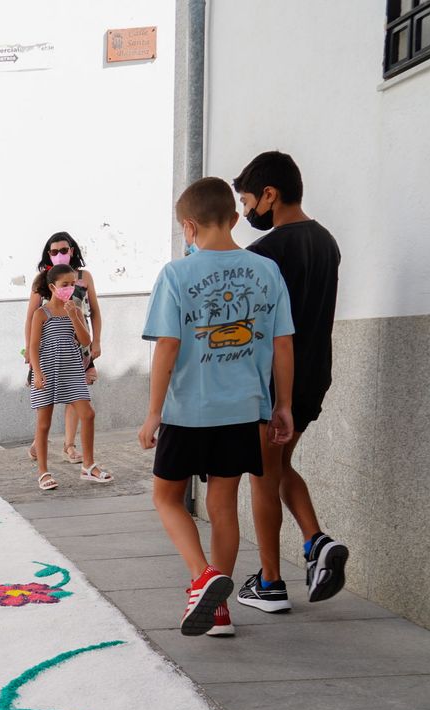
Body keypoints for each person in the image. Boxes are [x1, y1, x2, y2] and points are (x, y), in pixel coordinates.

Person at [138, 177, 295, 638]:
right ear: (233, 216)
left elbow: (167, 347)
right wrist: (281, 405)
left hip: (189, 410)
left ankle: (202, 576)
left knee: (166, 498)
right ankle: (219, 613)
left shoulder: (175, 275)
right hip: (244, 408)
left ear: (189, 226)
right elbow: (283, 343)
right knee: (223, 504)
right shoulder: (267, 271)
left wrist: (153, 413)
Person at [232, 151, 349, 611]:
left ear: (269, 195)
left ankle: (270, 583)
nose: (246, 214)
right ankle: (316, 542)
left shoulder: (267, 252)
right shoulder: (327, 242)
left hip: (274, 383)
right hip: (314, 376)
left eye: (247, 203)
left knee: (262, 476)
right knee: (279, 467)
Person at [27, 265, 111, 489]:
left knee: (88, 414)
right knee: (43, 424)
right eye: (65, 285)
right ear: (53, 287)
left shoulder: (75, 310)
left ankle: (89, 465)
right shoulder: (41, 314)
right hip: (47, 369)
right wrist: (37, 372)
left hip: (72, 370)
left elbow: (85, 340)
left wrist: (75, 315)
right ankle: (44, 472)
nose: (70, 288)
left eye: (73, 284)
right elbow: (33, 346)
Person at [26, 232, 103, 463]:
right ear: (48, 254)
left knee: (75, 396)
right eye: (54, 251)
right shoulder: (43, 279)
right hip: (50, 344)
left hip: (78, 339)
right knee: (46, 398)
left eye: (63, 250)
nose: (59, 254)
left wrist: (96, 341)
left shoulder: (84, 276)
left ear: (72, 250)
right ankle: (37, 445)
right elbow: (31, 316)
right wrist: (29, 351)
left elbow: (95, 311)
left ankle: (69, 446)